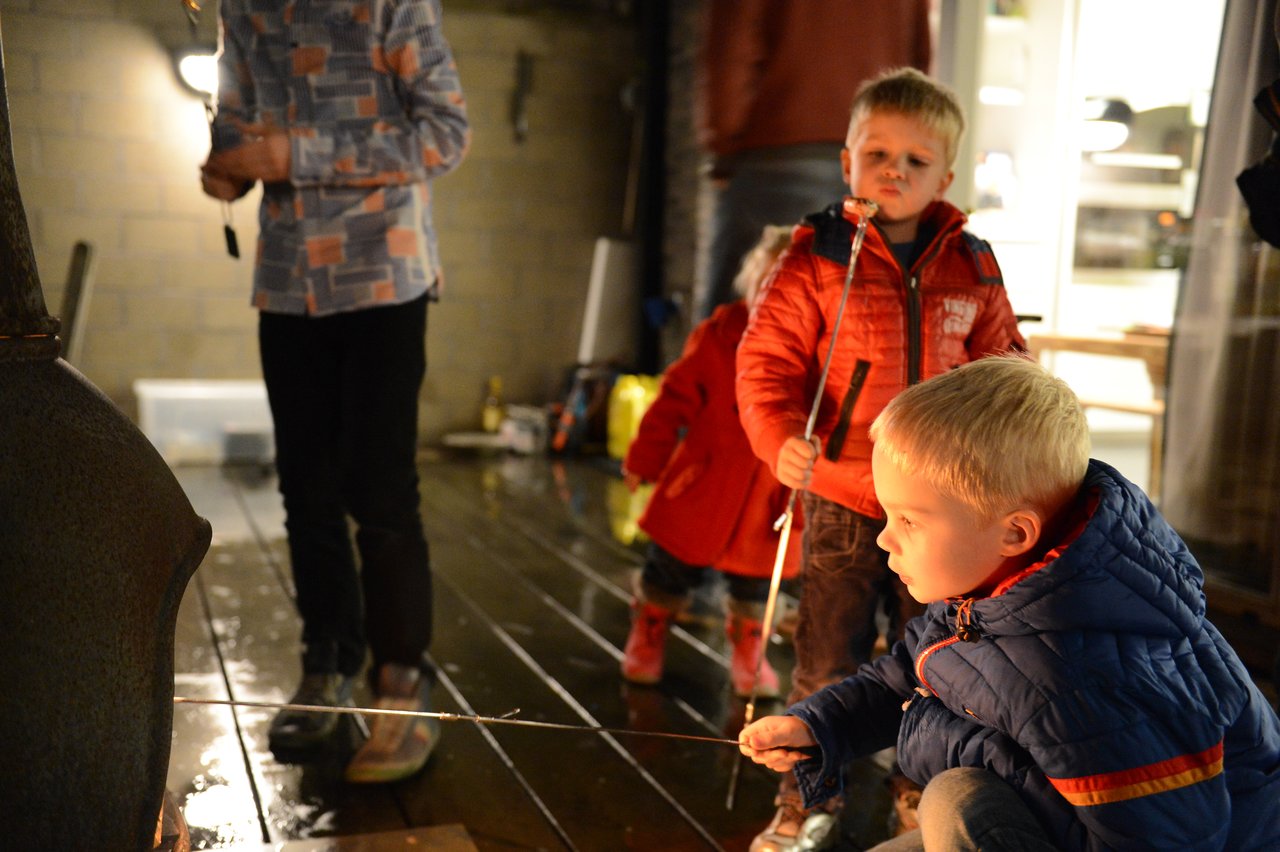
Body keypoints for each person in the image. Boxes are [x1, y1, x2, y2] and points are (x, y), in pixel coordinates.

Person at [739, 354, 1280, 850]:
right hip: (1057, 819)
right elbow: (911, 673)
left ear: (1015, 533)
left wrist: (963, 752)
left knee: (957, 799)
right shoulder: (996, 591)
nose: (885, 538)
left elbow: (1171, 840)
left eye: (909, 519)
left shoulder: (1081, 681)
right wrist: (821, 727)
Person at [734, 67, 1026, 850]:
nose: (894, 172)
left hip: (945, 502)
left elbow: (1005, 362)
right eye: (878, 155)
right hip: (841, 490)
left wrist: (1010, 430)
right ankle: (805, 798)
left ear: (946, 176)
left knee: (942, 658)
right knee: (825, 653)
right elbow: (765, 362)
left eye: (916, 161)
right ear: (847, 162)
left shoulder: (972, 260)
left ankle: (918, 793)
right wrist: (778, 439)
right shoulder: (813, 260)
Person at [199, 0, 470, 784]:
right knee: (305, 489)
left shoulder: (393, 6)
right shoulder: (242, 10)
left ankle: (401, 687)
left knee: (381, 492)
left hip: (385, 274)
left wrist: (291, 155)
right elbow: (241, 131)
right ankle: (326, 664)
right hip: (288, 281)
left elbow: (445, 135)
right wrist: (229, 169)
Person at [620, 226, 801, 699]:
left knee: (757, 587)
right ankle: (650, 627)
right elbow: (672, 399)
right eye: (768, 280)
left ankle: (750, 647)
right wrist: (647, 455)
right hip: (703, 481)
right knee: (669, 567)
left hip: (769, 491)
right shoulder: (720, 335)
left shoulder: (815, 351)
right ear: (751, 280)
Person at [694, 0, 931, 322]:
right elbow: (917, 62)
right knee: (852, 336)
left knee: (733, 330)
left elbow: (732, 49)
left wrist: (723, 145)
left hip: (777, 155)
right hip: (877, 165)